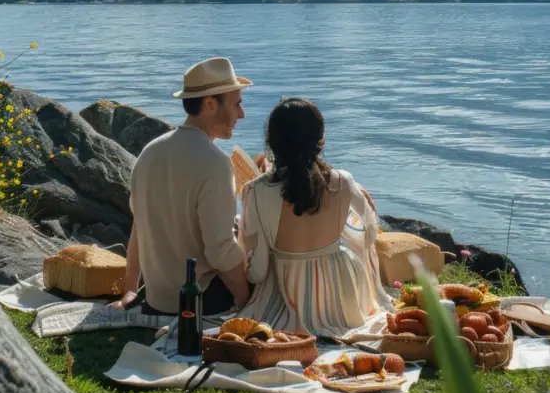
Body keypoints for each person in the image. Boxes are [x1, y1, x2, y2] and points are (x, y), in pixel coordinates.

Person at [236, 97, 394, 337]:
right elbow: (369, 234)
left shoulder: (255, 190)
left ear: (272, 141)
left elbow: (257, 270)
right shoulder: (343, 181)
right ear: (320, 139)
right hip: (342, 294)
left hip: (286, 292)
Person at [112, 57, 252, 315]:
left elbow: (139, 226)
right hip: (201, 299)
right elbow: (220, 250)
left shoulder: (149, 152)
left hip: (157, 299)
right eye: (237, 104)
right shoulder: (215, 163)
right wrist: (247, 303)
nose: (242, 114)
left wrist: (131, 290)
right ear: (210, 104)